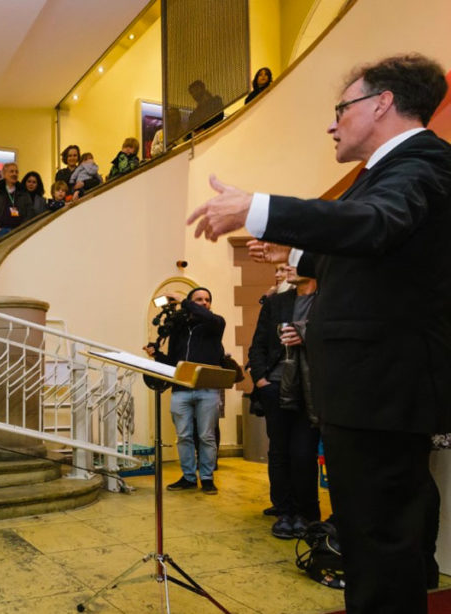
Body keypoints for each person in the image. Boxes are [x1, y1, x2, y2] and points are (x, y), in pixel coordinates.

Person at [187, 54, 450, 613]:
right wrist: (297, 251)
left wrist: (258, 208)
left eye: (342, 108)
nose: (333, 123)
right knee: (366, 539)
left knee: (382, 545)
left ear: (382, 104)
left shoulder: (422, 165)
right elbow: (370, 254)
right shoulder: (382, 175)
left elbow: (375, 226)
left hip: (382, 391)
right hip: (367, 393)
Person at [247, 265, 320, 538]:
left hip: (310, 387)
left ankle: (307, 513)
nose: (286, 267)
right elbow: (258, 344)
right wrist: (260, 379)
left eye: (294, 259)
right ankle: (284, 511)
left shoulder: (324, 300)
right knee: (279, 452)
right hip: (274, 386)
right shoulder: (277, 302)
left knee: (303, 452)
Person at [143, 288, 225, 494]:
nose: (204, 303)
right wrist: (157, 355)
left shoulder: (215, 324)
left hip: (208, 390)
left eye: (207, 299)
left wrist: (184, 301)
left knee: (206, 436)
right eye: (199, 299)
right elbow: (173, 362)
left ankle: (207, 478)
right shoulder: (179, 329)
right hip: (181, 390)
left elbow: (206, 315)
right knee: (184, 436)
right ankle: (188, 477)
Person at [0, 162, 33, 244]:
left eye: (16, 172)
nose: (14, 174)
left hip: (18, 233)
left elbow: (30, 213)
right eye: (11, 171)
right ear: (4, 174)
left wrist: (22, 228)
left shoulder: (24, 195)